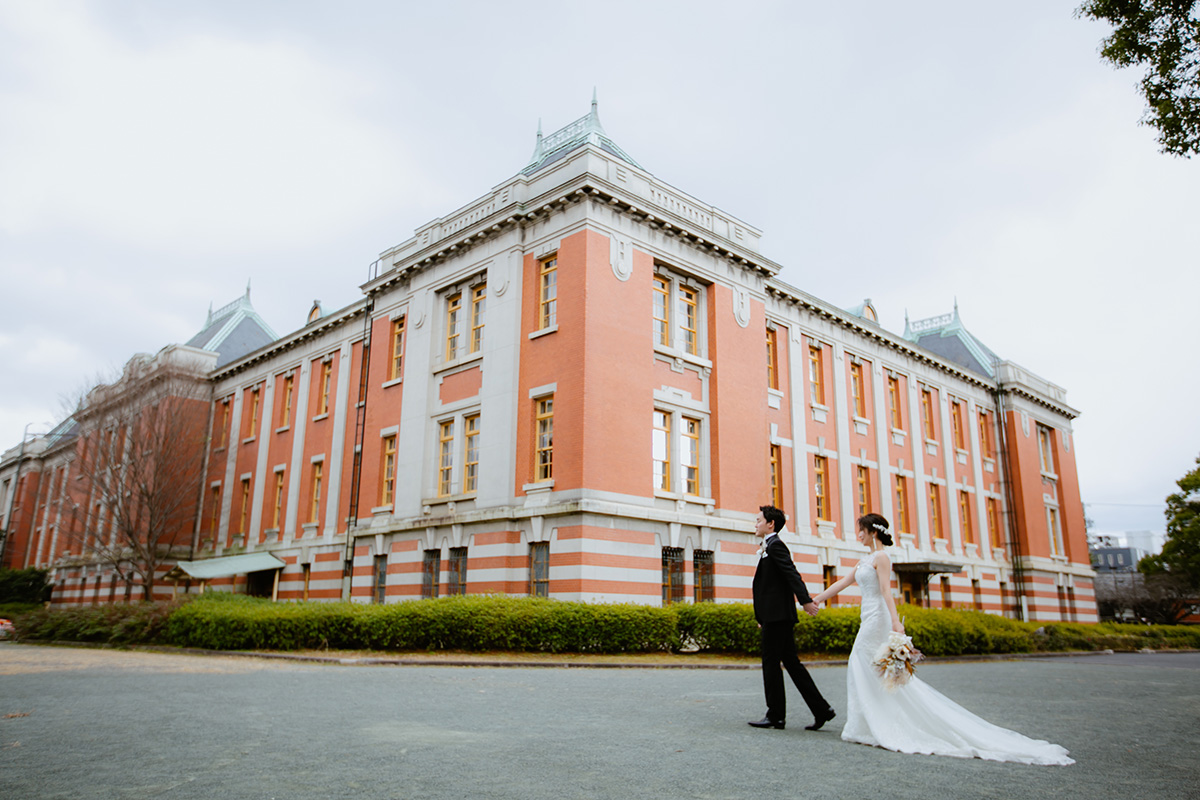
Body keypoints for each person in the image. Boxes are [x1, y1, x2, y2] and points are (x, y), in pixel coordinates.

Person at [811, 513, 1074, 764]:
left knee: (861, 660)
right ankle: (865, 724)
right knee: (869, 666)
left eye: (862, 530)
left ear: (873, 532)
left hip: (878, 616)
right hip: (866, 615)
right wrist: (817, 599)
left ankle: (878, 723)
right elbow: (843, 583)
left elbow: (885, 592)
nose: (858, 534)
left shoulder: (882, 558)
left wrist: (894, 622)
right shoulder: (862, 561)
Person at [748, 504, 837, 731]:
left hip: (778, 618)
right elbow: (768, 587)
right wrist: (762, 615)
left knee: (771, 664)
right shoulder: (769, 546)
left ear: (771, 524)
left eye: (759, 520)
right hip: (775, 616)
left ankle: (776, 715)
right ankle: (822, 710)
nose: (755, 524)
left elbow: (791, 573)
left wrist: (805, 600)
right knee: (791, 663)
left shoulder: (776, 546)